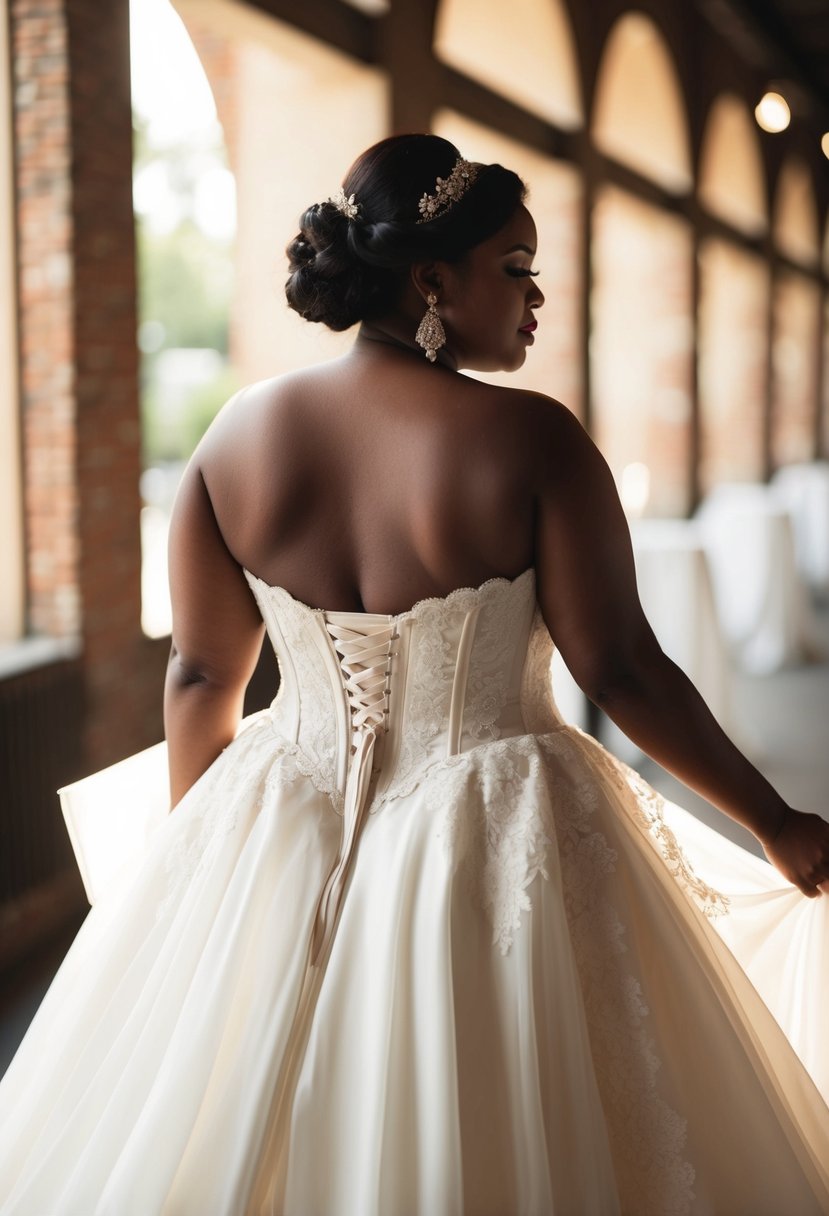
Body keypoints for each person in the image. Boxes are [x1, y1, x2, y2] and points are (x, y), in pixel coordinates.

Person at [0, 132, 828, 1215]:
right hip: (496, 828)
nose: (537, 298)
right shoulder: (532, 440)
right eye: (516, 269)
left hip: (275, 810)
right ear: (432, 280)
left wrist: (190, 863)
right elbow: (620, 666)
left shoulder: (233, 439)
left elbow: (203, 673)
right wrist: (776, 822)